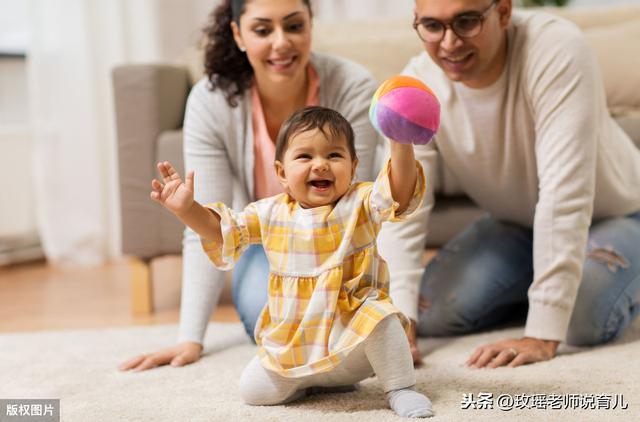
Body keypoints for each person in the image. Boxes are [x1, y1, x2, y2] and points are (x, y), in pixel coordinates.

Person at [119, 0, 384, 372]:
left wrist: (389, 309)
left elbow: (365, 205)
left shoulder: (352, 84)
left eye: (294, 26)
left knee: (366, 322)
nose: (281, 43)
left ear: (311, 25)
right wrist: (189, 338)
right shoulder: (211, 101)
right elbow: (208, 227)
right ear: (238, 34)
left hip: (345, 244)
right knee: (275, 319)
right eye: (262, 30)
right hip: (270, 244)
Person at [378, 0, 640, 369]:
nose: (449, 42)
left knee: (578, 319)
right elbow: (404, 206)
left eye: (467, 21)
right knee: (432, 312)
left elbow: (565, 194)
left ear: (503, 12)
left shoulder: (555, 48)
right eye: (432, 26)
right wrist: (399, 316)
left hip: (620, 214)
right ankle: (549, 276)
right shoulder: (418, 86)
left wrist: (542, 331)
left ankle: (572, 281)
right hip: (516, 225)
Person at [149, 106, 433, 418]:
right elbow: (222, 231)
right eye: (305, 157)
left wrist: (400, 142)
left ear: (353, 168)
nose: (321, 165)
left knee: (384, 319)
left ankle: (400, 388)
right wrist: (187, 209)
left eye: (334, 156)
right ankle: (316, 381)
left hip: (351, 337)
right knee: (252, 392)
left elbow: (399, 194)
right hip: (293, 344)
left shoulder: (361, 203)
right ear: (282, 173)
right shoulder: (269, 213)